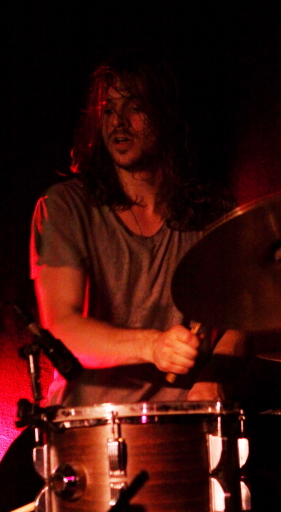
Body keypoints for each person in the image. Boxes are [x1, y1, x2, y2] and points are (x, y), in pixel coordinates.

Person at [30, 51, 246, 408]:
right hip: (89, 424)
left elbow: (241, 316)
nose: (118, 122)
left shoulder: (212, 209)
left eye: (135, 107)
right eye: (108, 110)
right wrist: (152, 345)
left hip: (184, 419)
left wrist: (214, 377)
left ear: (166, 115)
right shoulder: (65, 205)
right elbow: (61, 329)